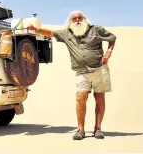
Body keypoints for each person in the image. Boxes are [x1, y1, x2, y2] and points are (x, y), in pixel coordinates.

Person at [28, 10, 117, 140]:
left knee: (100, 98)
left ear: (85, 19)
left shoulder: (96, 29)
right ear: (70, 21)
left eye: (80, 18)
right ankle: (80, 130)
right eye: (74, 18)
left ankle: (98, 129)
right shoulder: (67, 33)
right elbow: (51, 33)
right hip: (81, 71)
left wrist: (108, 52)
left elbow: (112, 38)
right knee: (81, 97)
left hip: (100, 70)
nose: (77, 20)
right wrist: (36, 29)